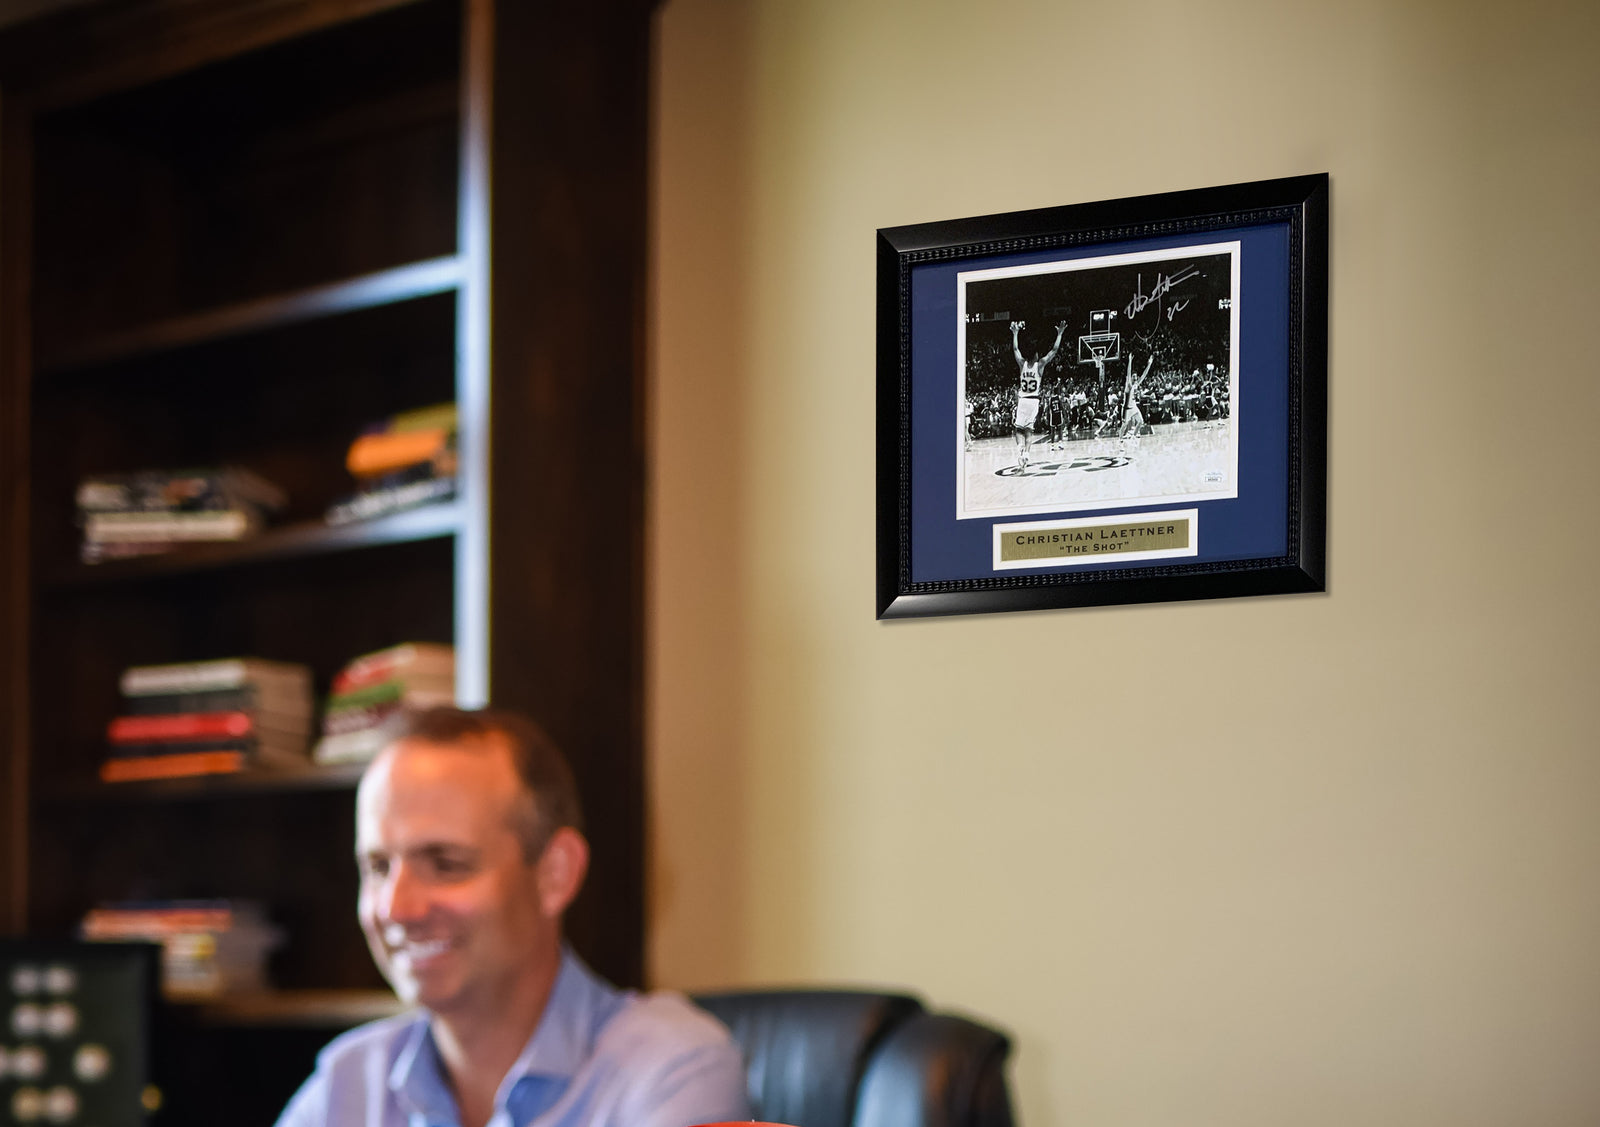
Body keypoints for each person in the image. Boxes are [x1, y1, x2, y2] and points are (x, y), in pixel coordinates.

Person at [275, 707, 749, 1127]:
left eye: (445, 864)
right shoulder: (349, 1082)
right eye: (378, 867)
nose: (395, 909)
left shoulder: (671, 1069)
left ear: (554, 875)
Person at [1009, 320, 1066, 469]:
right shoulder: (1039, 365)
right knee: (1029, 430)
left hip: (1023, 400)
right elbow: (1054, 350)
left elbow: (1015, 349)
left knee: (1018, 430)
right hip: (1034, 401)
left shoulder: (1022, 363)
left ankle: (1019, 449)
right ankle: (1027, 453)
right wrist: (1059, 334)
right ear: (1035, 355)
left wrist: (1015, 334)